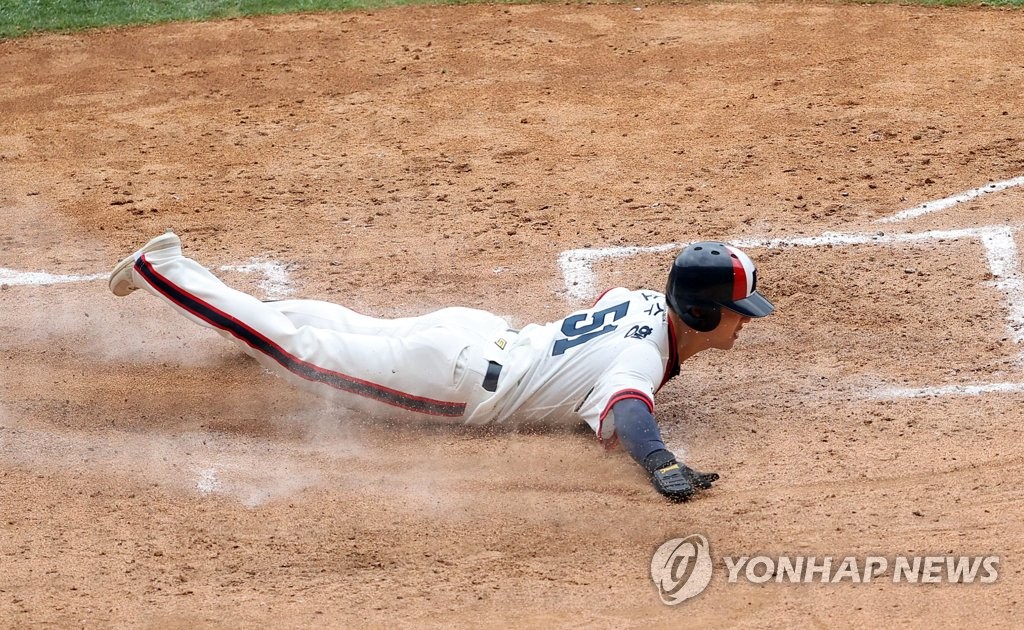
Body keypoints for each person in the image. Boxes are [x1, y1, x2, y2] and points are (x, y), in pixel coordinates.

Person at [109, 232, 773, 502]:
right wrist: (658, 461)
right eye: (738, 309)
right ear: (704, 314)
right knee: (298, 353)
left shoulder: (639, 305)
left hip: (471, 333)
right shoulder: (641, 357)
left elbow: (605, 307)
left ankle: (214, 291)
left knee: (342, 326)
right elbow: (630, 410)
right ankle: (158, 269)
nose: (746, 319)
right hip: (450, 380)